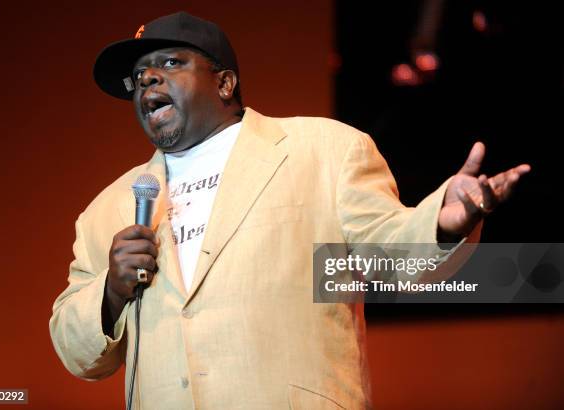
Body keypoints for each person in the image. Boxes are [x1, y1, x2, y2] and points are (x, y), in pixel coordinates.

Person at [49, 11, 530, 409]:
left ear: (224, 83)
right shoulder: (109, 208)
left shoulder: (323, 150)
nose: (147, 79)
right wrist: (111, 293)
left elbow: (393, 259)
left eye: (170, 62)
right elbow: (77, 352)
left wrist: (442, 223)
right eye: (139, 77)